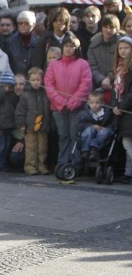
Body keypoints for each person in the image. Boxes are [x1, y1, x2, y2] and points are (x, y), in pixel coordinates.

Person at [45, 31, 92, 172]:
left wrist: (73, 102)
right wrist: (60, 102)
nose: (68, 48)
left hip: (77, 108)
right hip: (58, 108)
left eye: (72, 46)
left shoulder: (83, 64)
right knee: (63, 136)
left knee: (75, 136)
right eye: (66, 46)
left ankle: (75, 165)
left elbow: (86, 85)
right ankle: (62, 164)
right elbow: (49, 85)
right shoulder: (54, 65)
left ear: (76, 48)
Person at [14, 67, 50, 175]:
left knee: (42, 148)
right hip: (30, 127)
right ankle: (30, 167)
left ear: (42, 80)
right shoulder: (25, 95)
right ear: (29, 80)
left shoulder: (45, 93)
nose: (36, 82)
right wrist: (21, 123)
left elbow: (49, 110)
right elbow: (20, 111)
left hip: (43, 127)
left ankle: (41, 166)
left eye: (38, 80)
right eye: (33, 80)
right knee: (30, 148)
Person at [112, 36, 132, 184]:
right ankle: (128, 173)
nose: (123, 51)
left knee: (127, 143)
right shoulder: (119, 68)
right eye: (121, 48)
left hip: (128, 110)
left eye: (126, 48)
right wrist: (115, 106)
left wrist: (121, 107)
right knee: (128, 142)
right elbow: (116, 91)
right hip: (121, 110)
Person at [88, 14, 121, 91]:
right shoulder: (93, 45)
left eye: (111, 27)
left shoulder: (121, 44)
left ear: (116, 29)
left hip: (118, 84)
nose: (108, 30)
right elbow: (92, 66)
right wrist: (102, 79)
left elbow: (122, 65)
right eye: (105, 27)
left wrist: (109, 78)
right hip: (98, 84)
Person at [78, 90, 114, 162]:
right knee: (88, 130)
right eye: (92, 103)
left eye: (97, 103)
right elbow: (80, 125)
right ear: (88, 103)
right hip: (90, 132)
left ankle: (94, 149)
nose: (94, 105)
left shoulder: (108, 112)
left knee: (103, 131)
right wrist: (92, 126)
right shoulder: (84, 113)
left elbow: (112, 124)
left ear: (102, 103)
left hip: (103, 132)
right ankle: (85, 150)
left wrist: (105, 128)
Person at [5, 10, 41, 75]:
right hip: (15, 77)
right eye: (20, 23)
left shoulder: (39, 42)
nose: (23, 25)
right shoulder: (10, 42)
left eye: (26, 23)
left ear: (33, 24)